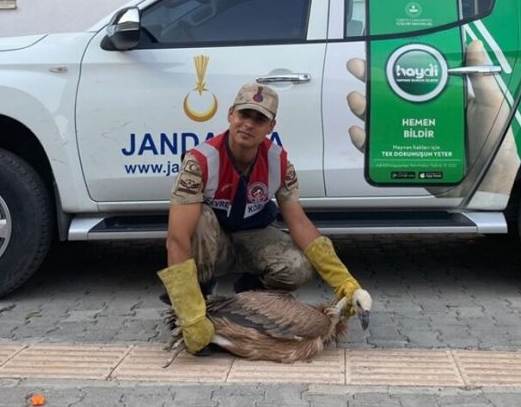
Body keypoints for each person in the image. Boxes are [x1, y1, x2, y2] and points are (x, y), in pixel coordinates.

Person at [157, 82, 372, 355]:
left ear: (271, 126)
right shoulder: (200, 161)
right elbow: (177, 239)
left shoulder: (278, 163)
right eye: (244, 114)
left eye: (259, 119)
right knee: (197, 222)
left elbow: (299, 224)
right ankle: (196, 307)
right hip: (211, 244)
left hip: (250, 238)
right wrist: (190, 314)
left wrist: (344, 281)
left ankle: (250, 300)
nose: (249, 124)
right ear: (230, 115)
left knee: (297, 266)